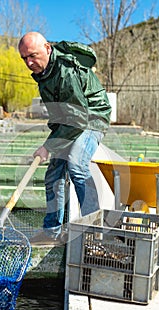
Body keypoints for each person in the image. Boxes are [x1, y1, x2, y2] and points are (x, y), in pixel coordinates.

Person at [18, 32, 111, 243]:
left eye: (33, 55)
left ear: (47, 48)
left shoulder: (66, 72)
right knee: (53, 174)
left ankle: (94, 230)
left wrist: (48, 146)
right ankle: (51, 231)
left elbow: (79, 117)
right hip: (71, 121)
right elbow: (61, 113)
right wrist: (52, 143)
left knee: (76, 164)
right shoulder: (44, 74)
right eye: (24, 58)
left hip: (92, 117)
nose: (29, 63)